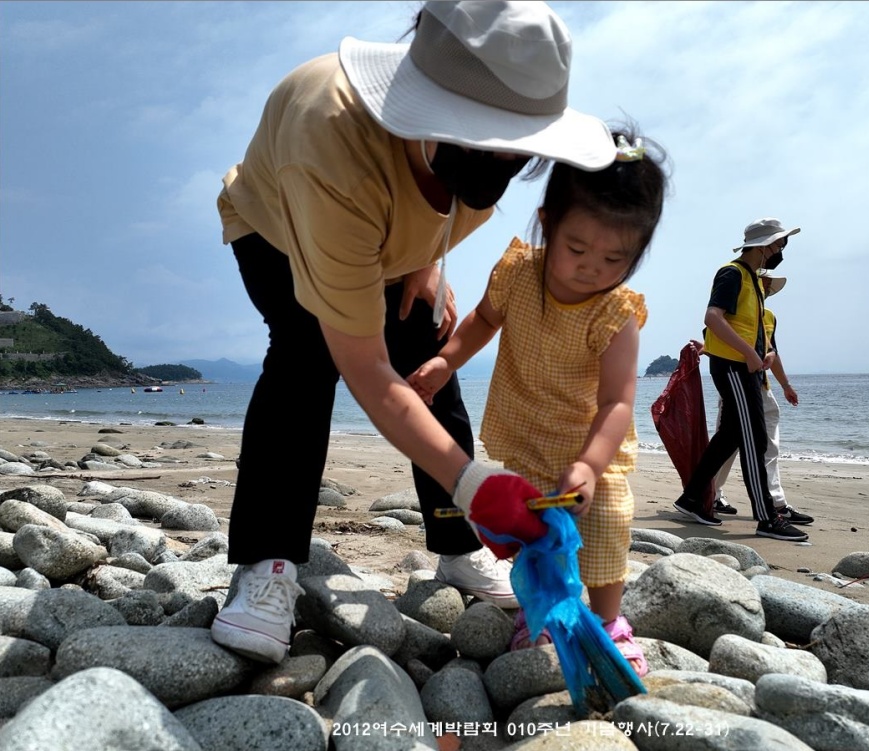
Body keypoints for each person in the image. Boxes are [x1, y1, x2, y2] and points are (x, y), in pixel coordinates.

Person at [209, 1, 618, 664]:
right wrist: (475, 481)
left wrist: (425, 261)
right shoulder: (331, 146)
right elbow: (366, 369)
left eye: (519, 147)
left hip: (379, 231)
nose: (505, 160)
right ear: (431, 110)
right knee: (305, 353)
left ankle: (457, 546)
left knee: (426, 347)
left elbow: (436, 204)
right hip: (278, 224)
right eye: (485, 138)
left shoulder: (479, 162)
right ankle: (269, 560)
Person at [408, 128, 669, 676]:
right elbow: (482, 320)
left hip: (588, 440)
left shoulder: (616, 312)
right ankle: (541, 611)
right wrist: (446, 361)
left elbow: (618, 401)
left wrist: (591, 465)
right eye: (577, 248)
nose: (591, 267)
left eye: (614, 257)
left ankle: (608, 620)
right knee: (536, 533)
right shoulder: (519, 272)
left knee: (606, 525)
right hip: (527, 430)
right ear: (548, 222)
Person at [673, 218, 810, 541]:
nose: (781, 252)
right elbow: (712, 317)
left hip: (745, 368)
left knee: (731, 436)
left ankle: (692, 498)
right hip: (735, 368)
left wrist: (763, 356)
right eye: (780, 245)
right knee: (755, 439)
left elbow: (750, 329)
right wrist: (749, 353)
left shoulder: (751, 280)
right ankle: (767, 517)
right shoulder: (732, 273)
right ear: (765, 247)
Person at [711, 271, 814, 525]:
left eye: (769, 284)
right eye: (764, 281)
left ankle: (776, 502)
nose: (767, 286)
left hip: (762, 387)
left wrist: (785, 385)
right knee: (728, 445)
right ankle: (709, 493)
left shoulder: (769, 317)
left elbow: (772, 352)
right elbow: (715, 338)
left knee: (768, 446)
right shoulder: (735, 312)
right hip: (737, 384)